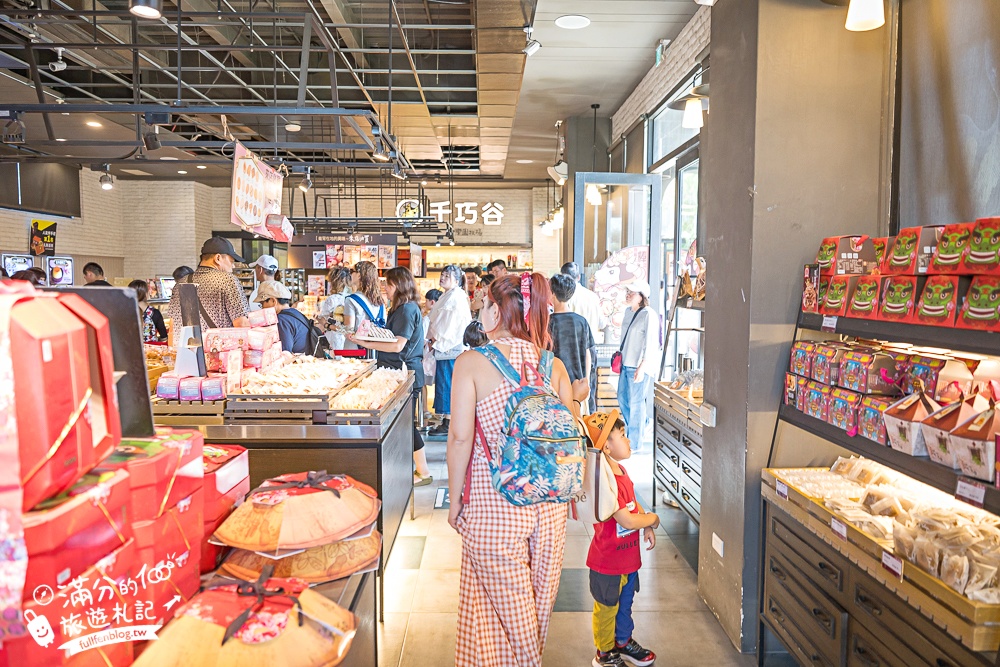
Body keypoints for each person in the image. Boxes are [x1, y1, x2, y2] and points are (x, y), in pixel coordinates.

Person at [446, 272, 582, 667]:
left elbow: (460, 439)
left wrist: (455, 501)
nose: (480, 311)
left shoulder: (471, 363)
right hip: (550, 510)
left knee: (504, 614)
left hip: (494, 506)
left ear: (496, 312)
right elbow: (569, 433)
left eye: (484, 304)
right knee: (534, 612)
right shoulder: (553, 366)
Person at [583, 410, 659, 667]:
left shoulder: (622, 471)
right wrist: (653, 520)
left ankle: (622, 642)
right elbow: (626, 520)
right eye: (622, 435)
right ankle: (605, 652)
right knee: (607, 608)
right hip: (607, 563)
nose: (628, 440)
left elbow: (632, 504)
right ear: (606, 446)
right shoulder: (605, 481)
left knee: (626, 603)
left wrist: (645, 520)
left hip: (628, 559)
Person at [349, 267, 431, 486]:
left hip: (404, 373)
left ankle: (423, 471)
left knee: (405, 425)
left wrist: (366, 343)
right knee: (403, 424)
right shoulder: (401, 308)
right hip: (400, 372)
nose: (385, 287)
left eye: (389, 283)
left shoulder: (406, 310)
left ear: (400, 285)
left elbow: (397, 345)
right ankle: (414, 469)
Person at [164, 236, 250, 331]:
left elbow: (172, 326)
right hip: (217, 340)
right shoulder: (228, 280)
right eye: (231, 261)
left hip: (186, 341)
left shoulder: (180, 284)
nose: (232, 266)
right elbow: (242, 324)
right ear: (218, 258)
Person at [426, 265, 472, 437]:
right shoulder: (450, 295)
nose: (443, 278)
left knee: (447, 384)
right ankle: (447, 419)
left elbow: (446, 325)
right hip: (446, 347)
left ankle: (448, 421)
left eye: (447, 275)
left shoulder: (455, 297)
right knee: (445, 383)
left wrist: (434, 340)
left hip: (449, 348)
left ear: (456, 280)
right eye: (442, 274)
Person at [617, 281, 660, 451]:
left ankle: (634, 443)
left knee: (636, 404)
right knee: (622, 399)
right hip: (625, 363)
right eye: (628, 291)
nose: (628, 294)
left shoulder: (648, 314)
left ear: (641, 296)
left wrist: (643, 366)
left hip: (638, 365)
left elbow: (651, 342)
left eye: (632, 292)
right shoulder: (628, 312)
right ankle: (644, 423)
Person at [550, 273, 596, 414]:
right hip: (578, 383)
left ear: (552, 294)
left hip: (555, 383)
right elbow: (588, 353)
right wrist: (586, 379)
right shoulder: (581, 321)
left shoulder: (548, 322)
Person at [256, 280, 314, 354]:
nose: (262, 308)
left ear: (273, 301)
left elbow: (284, 353)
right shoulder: (295, 313)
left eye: (262, 304)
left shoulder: (281, 320)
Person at [344, 261, 386, 351]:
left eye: (352, 271)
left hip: (354, 351)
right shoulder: (380, 302)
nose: (350, 274)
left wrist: (330, 325)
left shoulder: (351, 300)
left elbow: (348, 331)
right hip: (375, 351)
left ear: (359, 275)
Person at [562, 262, 605, 341]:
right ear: (578, 277)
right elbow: (602, 324)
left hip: (574, 344)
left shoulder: (566, 298)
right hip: (592, 342)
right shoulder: (593, 297)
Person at [317, 267, 353, 351]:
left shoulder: (332, 299)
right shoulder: (353, 298)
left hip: (334, 338)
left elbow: (323, 320)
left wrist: (319, 319)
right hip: (350, 341)